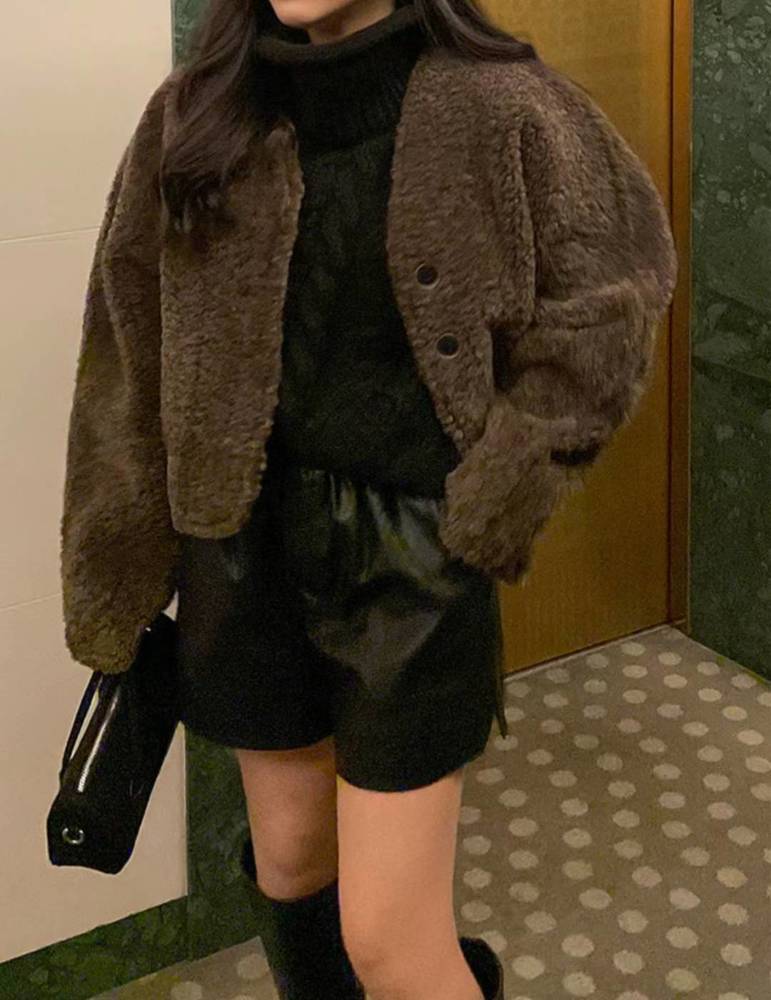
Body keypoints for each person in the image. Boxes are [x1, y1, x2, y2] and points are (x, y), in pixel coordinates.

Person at [59, 0, 678, 997]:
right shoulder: (195, 113)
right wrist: (118, 574)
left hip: (412, 565)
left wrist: (497, 497)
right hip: (239, 555)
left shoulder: (505, 103)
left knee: (389, 940)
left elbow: (614, 291)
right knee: (291, 868)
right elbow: (126, 352)